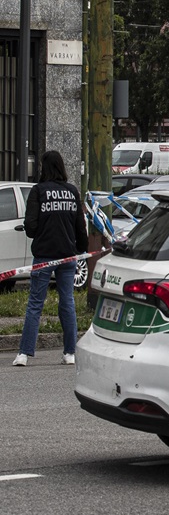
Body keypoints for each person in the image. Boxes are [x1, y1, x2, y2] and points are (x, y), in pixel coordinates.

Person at [14, 150, 89, 366]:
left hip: (44, 255)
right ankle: (69, 353)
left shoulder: (38, 191)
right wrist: (80, 249)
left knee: (35, 304)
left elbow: (30, 226)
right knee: (67, 302)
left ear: (44, 168)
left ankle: (24, 354)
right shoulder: (72, 191)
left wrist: (40, 232)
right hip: (67, 256)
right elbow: (80, 226)